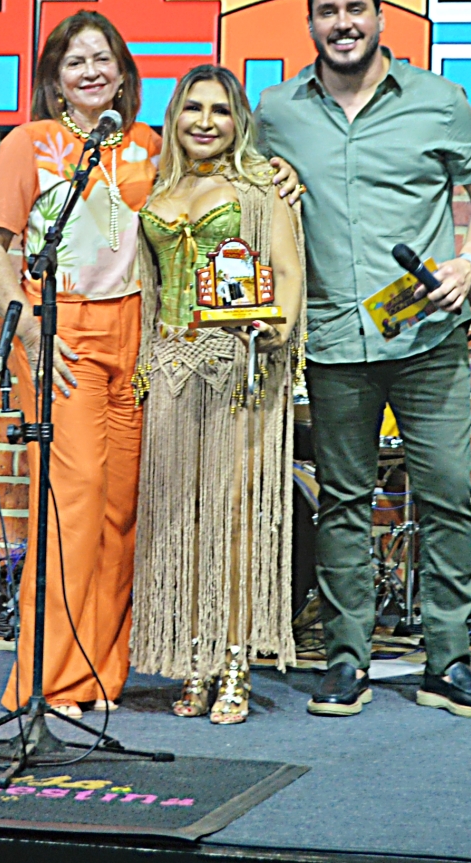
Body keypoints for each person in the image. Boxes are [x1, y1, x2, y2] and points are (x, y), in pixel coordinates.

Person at [257, 0, 471, 720]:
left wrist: (470, 260)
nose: (343, 23)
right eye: (328, 11)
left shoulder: (438, 99)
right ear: (311, 21)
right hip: (335, 338)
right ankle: (346, 660)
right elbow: (248, 193)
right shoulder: (277, 110)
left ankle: (448, 661)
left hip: (428, 334)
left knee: (446, 495)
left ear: (379, 15)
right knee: (344, 501)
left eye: (356, 8)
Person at [0, 12, 161, 718]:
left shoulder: (147, 145)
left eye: (102, 58)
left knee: (120, 512)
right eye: (75, 61)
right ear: (54, 79)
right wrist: (27, 326)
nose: (90, 72)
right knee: (71, 508)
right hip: (65, 332)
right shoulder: (31, 143)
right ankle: (46, 680)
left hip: (135, 332)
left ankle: (98, 674)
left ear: (123, 72)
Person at [132, 66, 303, 725]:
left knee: (233, 518)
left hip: (237, 365)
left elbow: (287, 271)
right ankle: (193, 655)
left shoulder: (261, 191)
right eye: (193, 108)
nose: (205, 121)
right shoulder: (157, 188)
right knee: (181, 517)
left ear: (239, 122)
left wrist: (276, 330)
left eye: (221, 110)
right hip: (168, 364)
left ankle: (235, 660)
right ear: (174, 116)